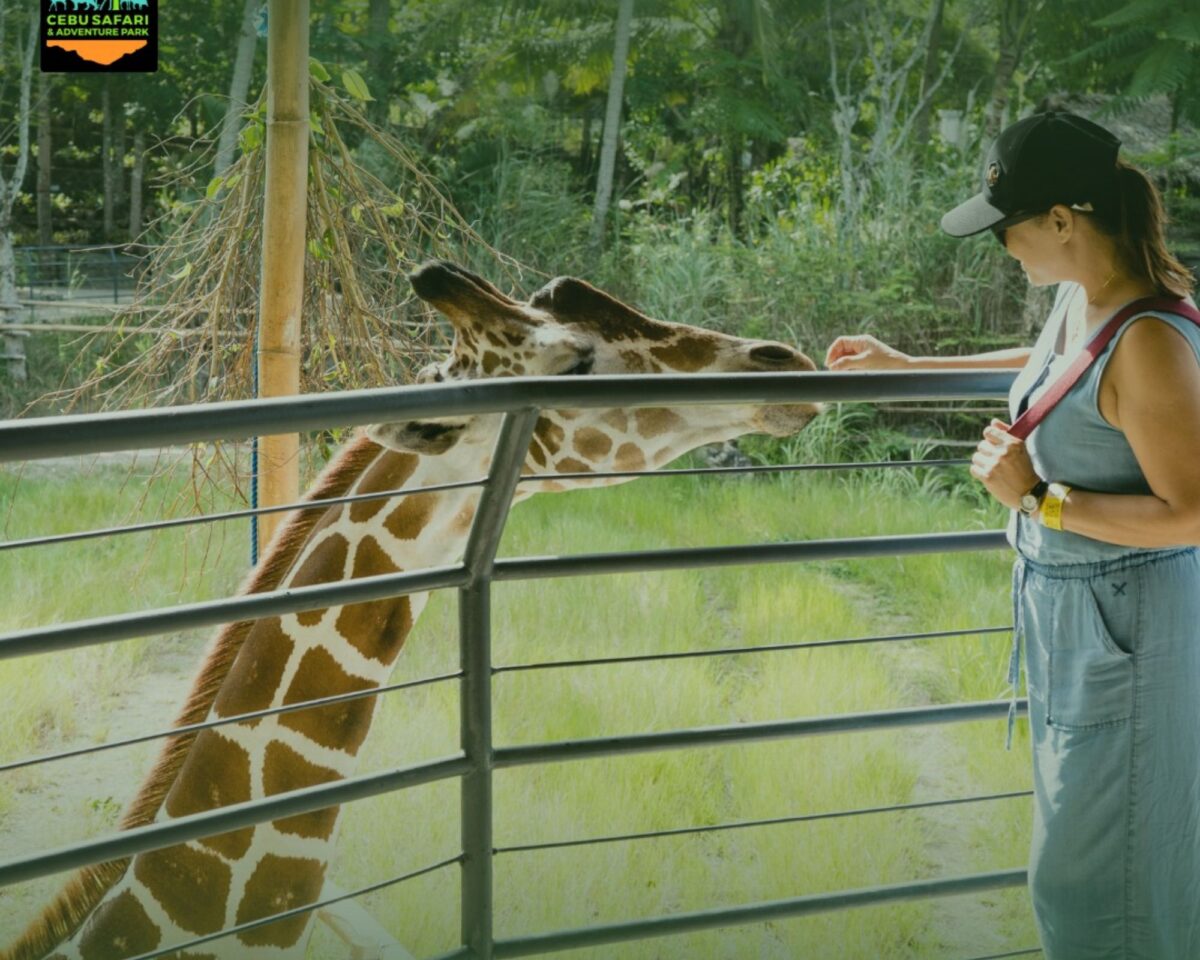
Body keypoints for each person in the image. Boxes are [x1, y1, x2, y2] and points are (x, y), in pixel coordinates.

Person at [825, 110, 1200, 960]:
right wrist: (909, 367)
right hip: (1087, 622)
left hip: (1128, 627)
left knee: (1102, 879)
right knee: (1095, 865)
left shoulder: (1148, 339)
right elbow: (1052, 370)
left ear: (1063, 221)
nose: (1001, 245)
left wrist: (1038, 499)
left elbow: (1192, 512)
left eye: (1007, 226)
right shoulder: (1084, 300)